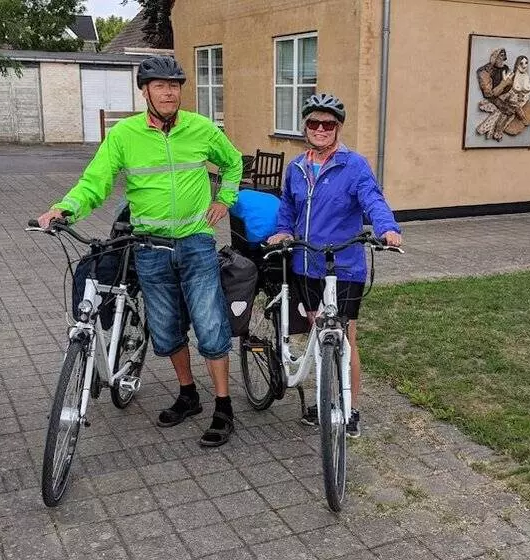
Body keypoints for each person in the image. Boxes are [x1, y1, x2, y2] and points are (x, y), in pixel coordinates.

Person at [37, 55, 243, 447]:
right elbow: (94, 183)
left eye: (175, 85)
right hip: (149, 248)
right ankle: (188, 394)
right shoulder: (124, 135)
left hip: (197, 242)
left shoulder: (201, 129)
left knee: (211, 326)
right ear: (145, 91)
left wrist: (226, 198)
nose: (169, 92)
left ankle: (223, 406)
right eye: (160, 86)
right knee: (165, 331)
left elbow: (233, 163)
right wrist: (64, 208)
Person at [266, 93, 402, 438]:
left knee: (344, 337)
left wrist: (386, 228)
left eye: (328, 124)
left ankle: (350, 407)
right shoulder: (296, 168)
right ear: (305, 128)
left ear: (338, 127)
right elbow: (288, 207)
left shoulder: (353, 165)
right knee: (318, 332)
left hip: (345, 265)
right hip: (307, 263)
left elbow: (372, 198)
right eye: (314, 123)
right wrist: (283, 231)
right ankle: (326, 401)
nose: (321, 129)